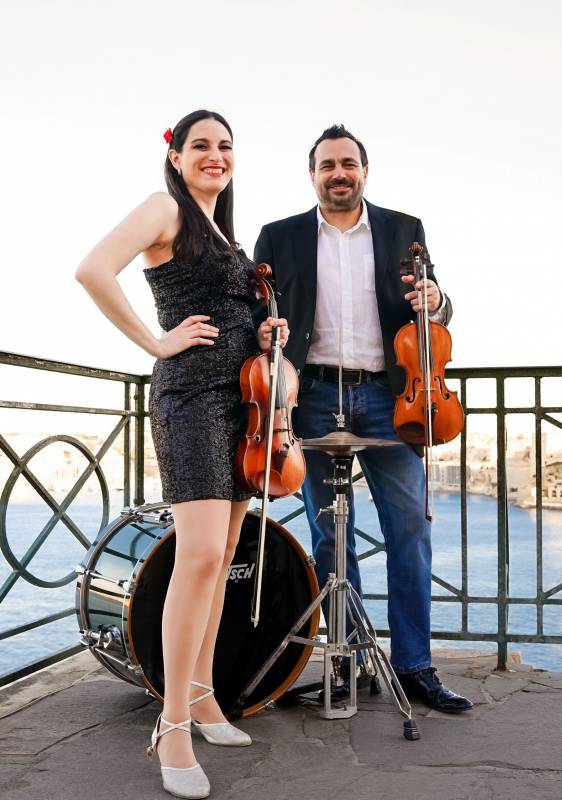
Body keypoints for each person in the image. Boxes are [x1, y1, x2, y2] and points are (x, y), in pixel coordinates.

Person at [76, 109, 288, 799]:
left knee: (220, 558)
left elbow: (232, 317)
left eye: (225, 146)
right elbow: (92, 270)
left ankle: (202, 697)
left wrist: (264, 334)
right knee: (196, 558)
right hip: (190, 400)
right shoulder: (162, 208)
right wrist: (156, 342)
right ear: (175, 156)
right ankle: (170, 726)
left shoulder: (226, 233)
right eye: (201, 145)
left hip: (241, 408)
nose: (215, 155)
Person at [254, 124, 472, 714]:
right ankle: (344, 660)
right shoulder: (279, 236)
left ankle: (414, 665)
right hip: (311, 396)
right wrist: (263, 331)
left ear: (365, 172)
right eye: (327, 165)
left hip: (389, 398)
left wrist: (437, 301)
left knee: (410, 530)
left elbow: (436, 304)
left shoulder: (405, 229)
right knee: (330, 535)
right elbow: (258, 314)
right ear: (312, 175)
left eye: (348, 163)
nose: (339, 174)